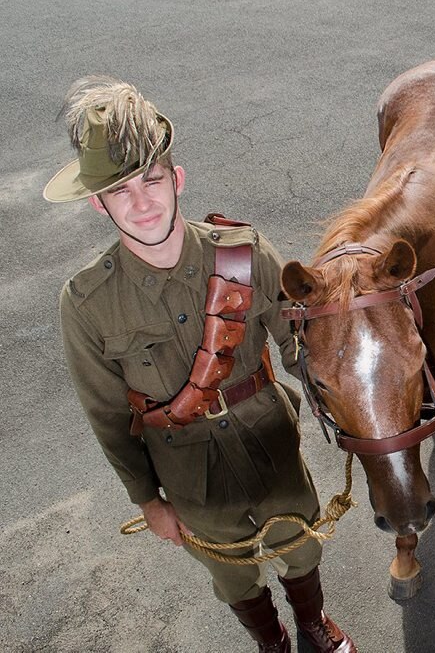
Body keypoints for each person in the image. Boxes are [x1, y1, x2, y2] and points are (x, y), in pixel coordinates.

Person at [47, 76, 355, 653]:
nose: (142, 203)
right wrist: (147, 500)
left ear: (177, 179)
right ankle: (271, 641)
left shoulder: (242, 251)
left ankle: (313, 623)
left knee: (301, 543)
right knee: (230, 572)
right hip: (187, 471)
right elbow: (109, 418)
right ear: (98, 203)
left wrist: (346, 404)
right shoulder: (87, 303)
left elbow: (299, 347)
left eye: (152, 180)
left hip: (270, 440)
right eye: (120, 192)